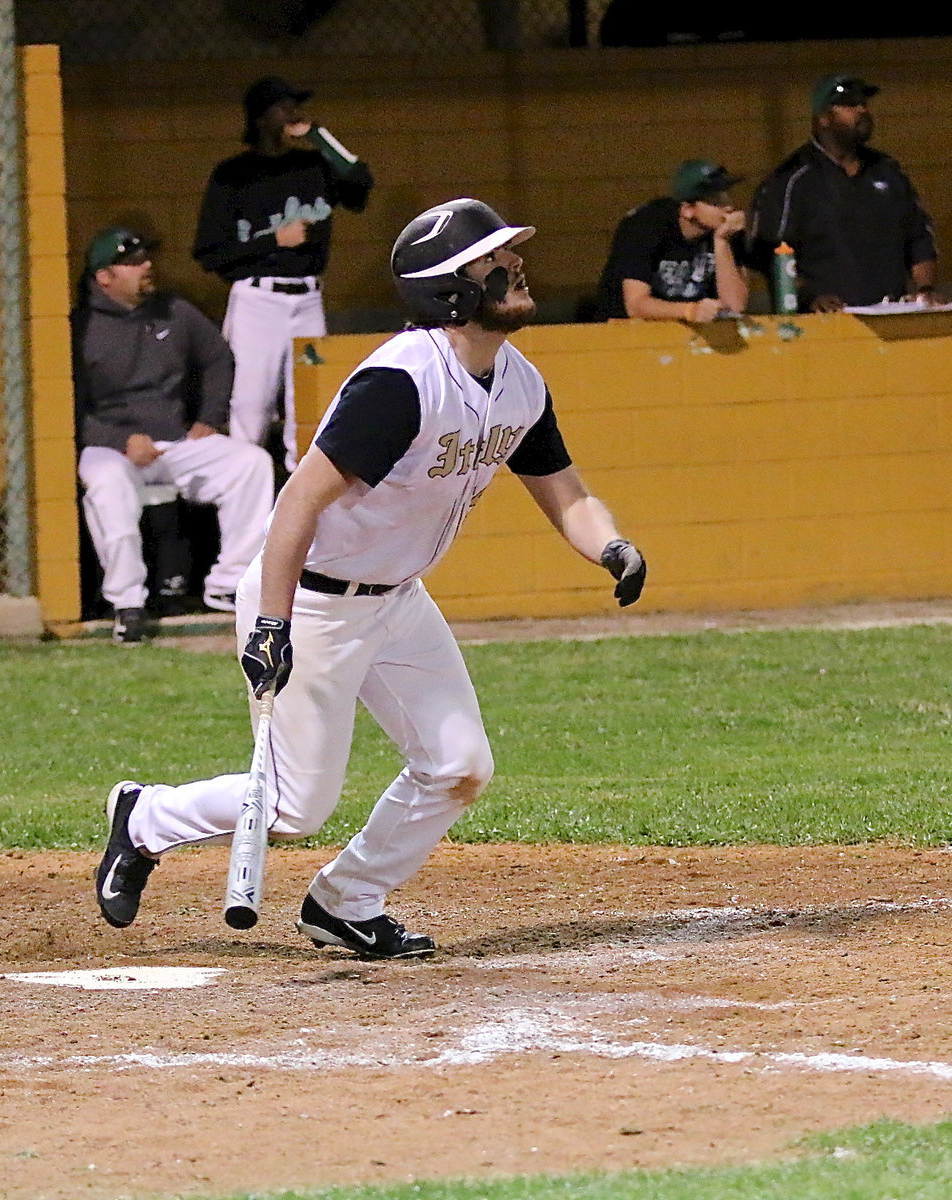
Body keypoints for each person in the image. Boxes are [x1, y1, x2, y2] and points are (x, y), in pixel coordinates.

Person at [95, 197, 648, 956]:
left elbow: (567, 494)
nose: (516, 266)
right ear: (450, 289)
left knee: (458, 766)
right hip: (313, 598)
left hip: (399, 600)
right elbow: (296, 505)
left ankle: (345, 900)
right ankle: (145, 818)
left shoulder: (517, 383)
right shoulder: (400, 385)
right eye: (495, 260)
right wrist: (270, 623)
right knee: (294, 807)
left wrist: (612, 546)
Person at [72, 226, 275, 644]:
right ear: (105, 277)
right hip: (109, 448)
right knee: (108, 485)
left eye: (147, 258)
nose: (147, 266)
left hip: (174, 443)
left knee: (250, 464)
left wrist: (209, 416)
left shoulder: (173, 311)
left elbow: (218, 356)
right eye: (133, 262)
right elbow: (67, 404)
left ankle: (231, 584)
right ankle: (127, 603)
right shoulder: (80, 325)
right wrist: (118, 440)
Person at [192, 76, 374, 474]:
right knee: (249, 410)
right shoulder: (233, 174)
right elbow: (209, 252)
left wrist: (320, 137)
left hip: (308, 300)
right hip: (258, 300)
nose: (293, 113)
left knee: (310, 410)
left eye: (295, 104)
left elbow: (360, 183)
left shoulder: (313, 164)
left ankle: (302, 525)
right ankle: (246, 528)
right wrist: (273, 241)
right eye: (283, 106)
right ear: (260, 116)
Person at [747, 73, 939, 313]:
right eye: (849, 104)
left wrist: (925, 289)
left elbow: (920, 237)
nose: (862, 110)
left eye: (863, 103)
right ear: (823, 118)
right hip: (819, 326)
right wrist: (809, 296)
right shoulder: (791, 179)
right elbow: (768, 253)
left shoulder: (888, 170)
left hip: (889, 317)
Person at [588, 159, 748, 322]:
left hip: (689, 333)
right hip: (626, 331)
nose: (728, 207)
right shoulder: (646, 227)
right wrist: (690, 311)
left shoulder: (727, 232)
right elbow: (635, 305)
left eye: (727, 197)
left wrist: (722, 241)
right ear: (687, 210)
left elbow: (735, 305)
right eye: (715, 202)